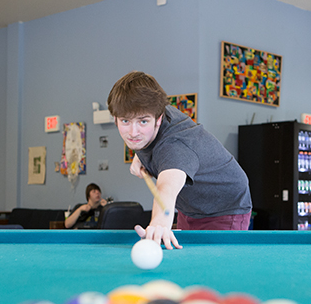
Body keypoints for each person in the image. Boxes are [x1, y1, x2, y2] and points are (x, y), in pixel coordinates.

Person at [107, 71, 252, 249]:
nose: (133, 132)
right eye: (125, 121)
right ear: (115, 118)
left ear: (158, 119)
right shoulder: (154, 110)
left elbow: (167, 186)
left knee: (215, 269)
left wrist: (159, 222)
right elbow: (143, 133)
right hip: (190, 207)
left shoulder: (175, 147)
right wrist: (140, 155)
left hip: (225, 207)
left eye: (143, 122)